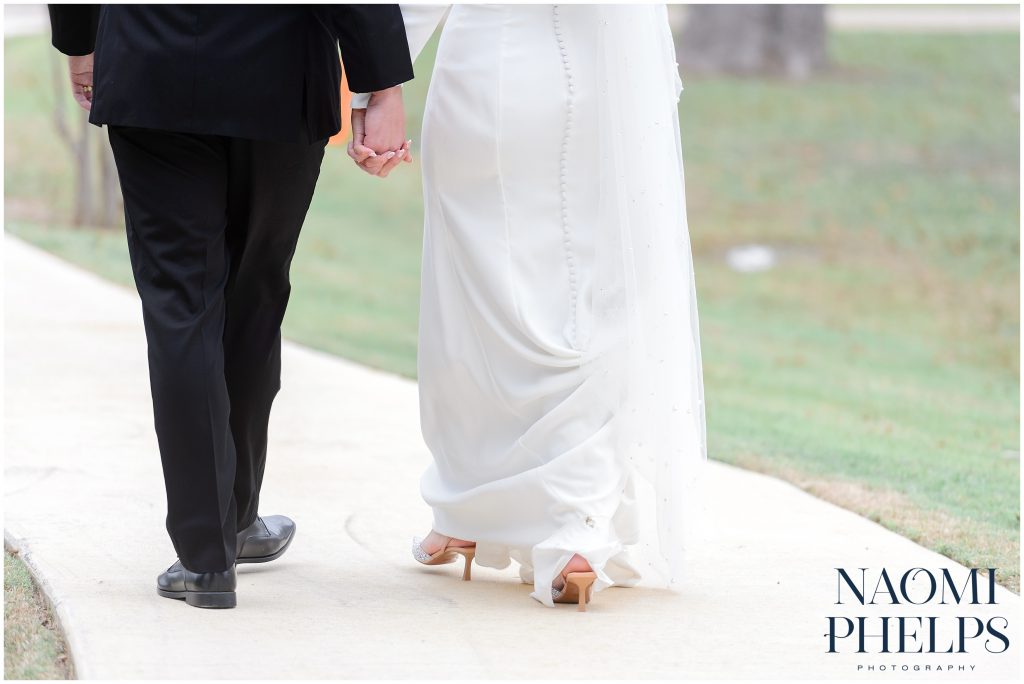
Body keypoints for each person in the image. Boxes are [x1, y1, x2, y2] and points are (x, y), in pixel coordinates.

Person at [48, 4, 414, 609]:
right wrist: (383, 83)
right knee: (254, 297)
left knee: (181, 306)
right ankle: (233, 521)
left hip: (152, 62)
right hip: (278, 69)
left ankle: (208, 554)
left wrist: (81, 40)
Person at [350, 4, 706, 610]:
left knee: (470, 293)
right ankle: (577, 518)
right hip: (597, 87)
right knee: (582, 292)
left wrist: (372, 85)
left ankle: (464, 507)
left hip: (489, 75)